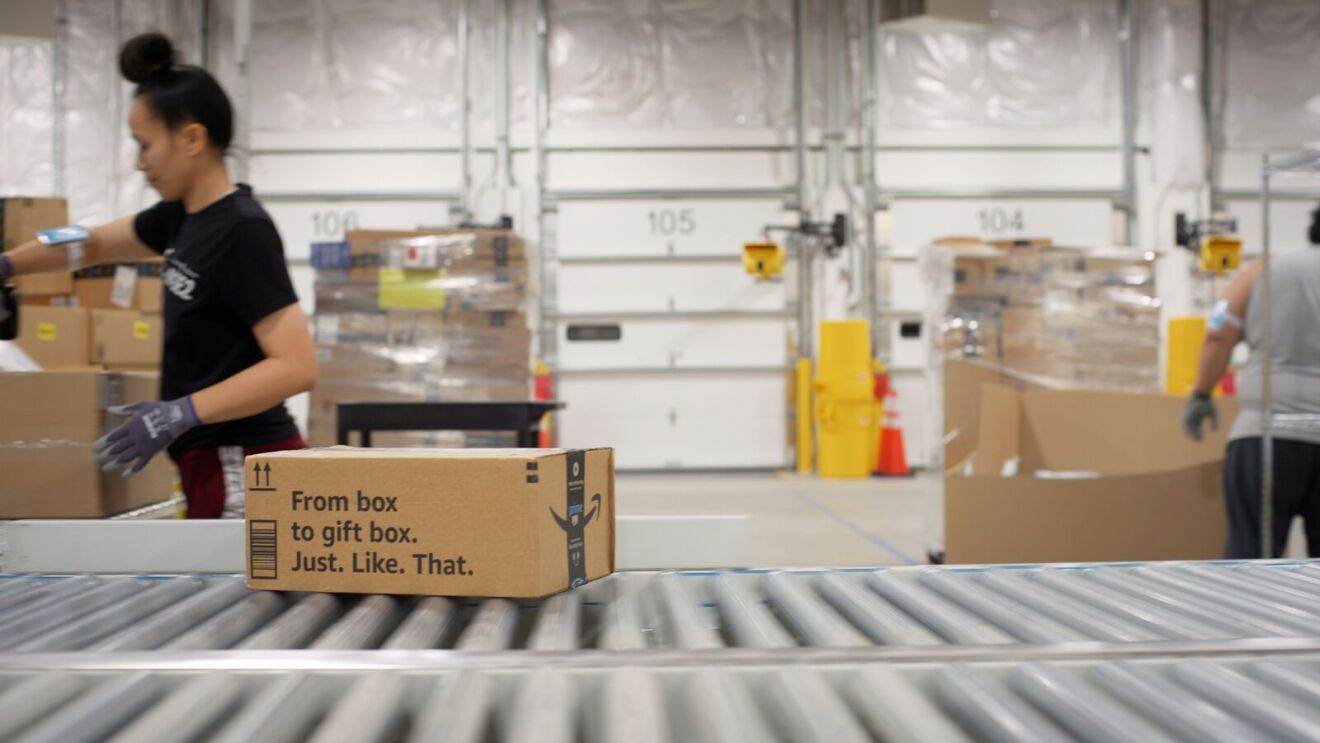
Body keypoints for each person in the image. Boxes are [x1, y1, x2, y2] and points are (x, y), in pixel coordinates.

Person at [0, 32, 316, 518]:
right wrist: (8, 264)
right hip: (208, 461)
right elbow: (89, 242)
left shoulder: (242, 231)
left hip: (245, 462)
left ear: (192, 138)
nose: (138, 162)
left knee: (239, 595)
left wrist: (180, 413)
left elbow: (296, 366)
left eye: (145, 145)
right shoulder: (180, 216)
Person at [1183, 204, 1320, 558]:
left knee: (1253, 558)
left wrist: (1200, 393)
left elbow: (1218, 334)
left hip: (1266, 438)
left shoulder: (1263, 270)